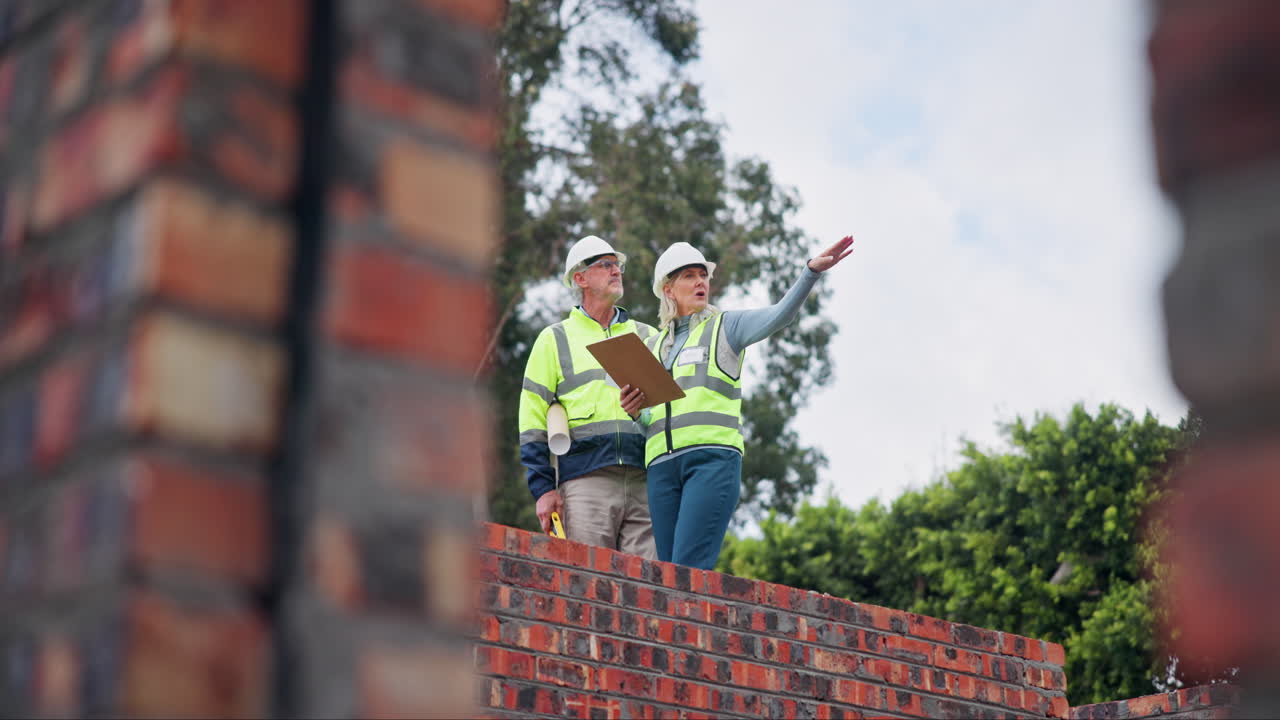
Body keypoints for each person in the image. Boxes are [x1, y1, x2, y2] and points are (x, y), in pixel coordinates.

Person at [619, 236, 855, 569]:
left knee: (688, 573)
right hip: (661, 469)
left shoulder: (726, 327)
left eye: (703, 275)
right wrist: (635, 413)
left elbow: (779, 316)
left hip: (711, 462)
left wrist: (810, 273)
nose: (701, 282)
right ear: (668, 289)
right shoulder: (654, 347)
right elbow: (652, 420)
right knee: (666, 578)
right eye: (689, 275)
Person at [518, 235, 659, 558]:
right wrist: (543, 489)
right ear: (580, 279)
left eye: (617, 265)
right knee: (589, 583)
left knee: (648, 590)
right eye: (606, 265)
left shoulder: (647, 336)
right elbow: (532, 420)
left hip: (646, 481)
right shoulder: (554, 339)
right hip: (585, 483)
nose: (616, 271)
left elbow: (668, 410)